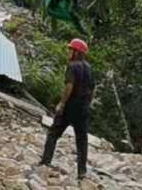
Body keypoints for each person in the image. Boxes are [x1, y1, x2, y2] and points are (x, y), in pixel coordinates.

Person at [38, 38, 95, 181]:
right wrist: (87, 104)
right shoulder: (89, 68)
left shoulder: (72, 66)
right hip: (83, 108)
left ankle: (45, 161)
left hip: (70, 106)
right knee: (82, 140)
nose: (68, 52)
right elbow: (92, 89)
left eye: (70, 50)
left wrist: (62, 104)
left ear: (76, 52)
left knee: (53, 133)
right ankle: (81, 172)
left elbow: (69, 86)